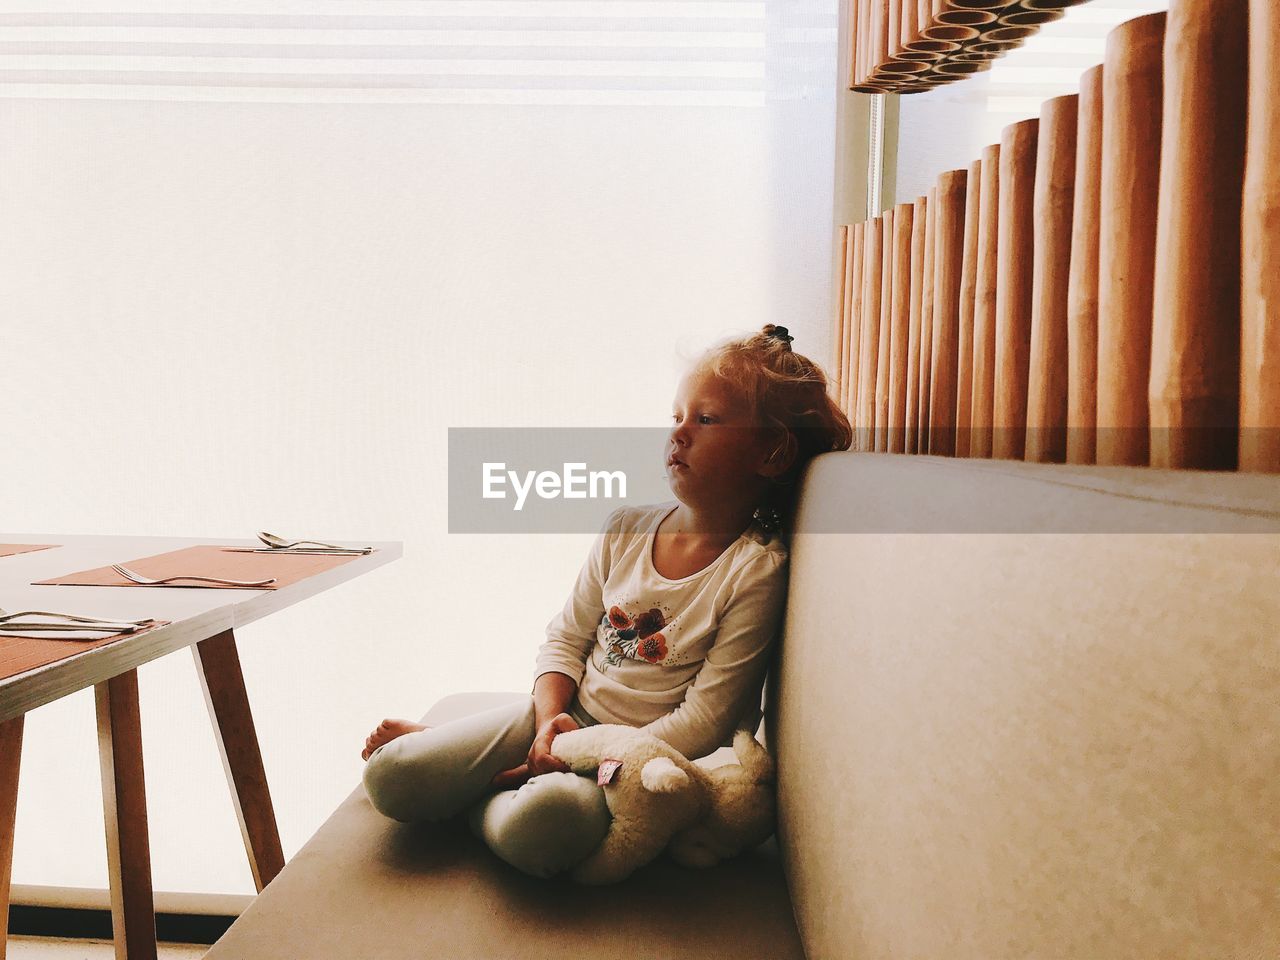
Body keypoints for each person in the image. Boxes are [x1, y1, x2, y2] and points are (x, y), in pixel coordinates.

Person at [361, 324, 852, 879]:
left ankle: (488, 791)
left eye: (706, 419)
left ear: (772, 453)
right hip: (561, 722)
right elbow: (565, 641)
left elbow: (704, 723)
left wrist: (569, 759)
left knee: (542, 828)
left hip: (637, 760)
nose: (679, 434)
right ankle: (485, 768)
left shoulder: (756, 570)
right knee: (391, 778)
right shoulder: (626, 528)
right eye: (676, 417)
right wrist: (549, 725)